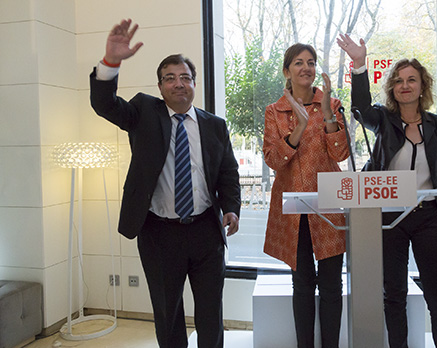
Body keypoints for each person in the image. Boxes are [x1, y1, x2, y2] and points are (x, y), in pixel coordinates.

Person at [89, 19, 241, 348]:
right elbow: (104, 105)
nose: (178, 84)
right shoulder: (143, 112)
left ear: (194, 84)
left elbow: (228, 171)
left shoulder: (215, 126)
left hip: (205, 231)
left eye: (185, 77)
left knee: (211, 313)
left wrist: (231, 208)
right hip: (159, 233)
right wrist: (110, 62)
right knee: (168, 314)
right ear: (160, 87)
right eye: (170, 78)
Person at [338, 34, 437, 348]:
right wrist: (359, 63)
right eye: (399, 81)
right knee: (394, 295)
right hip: (390, 217)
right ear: (393, 88)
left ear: (422, 86)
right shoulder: (383, 121)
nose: (405, 85)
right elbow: (360, 108)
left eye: (412, 80)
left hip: (430, 216)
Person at [262, 43, 350, 348]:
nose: (306, 68)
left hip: (328, 204)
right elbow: (273, 160)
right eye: (298, 63)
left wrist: (327, 115)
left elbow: (341, 153)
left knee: (331, 286)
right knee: (301, 285)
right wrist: (298, 128)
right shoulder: (274, 112)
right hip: (293, 208)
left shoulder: (333, 104)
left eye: (311, 62)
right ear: (287, 71)